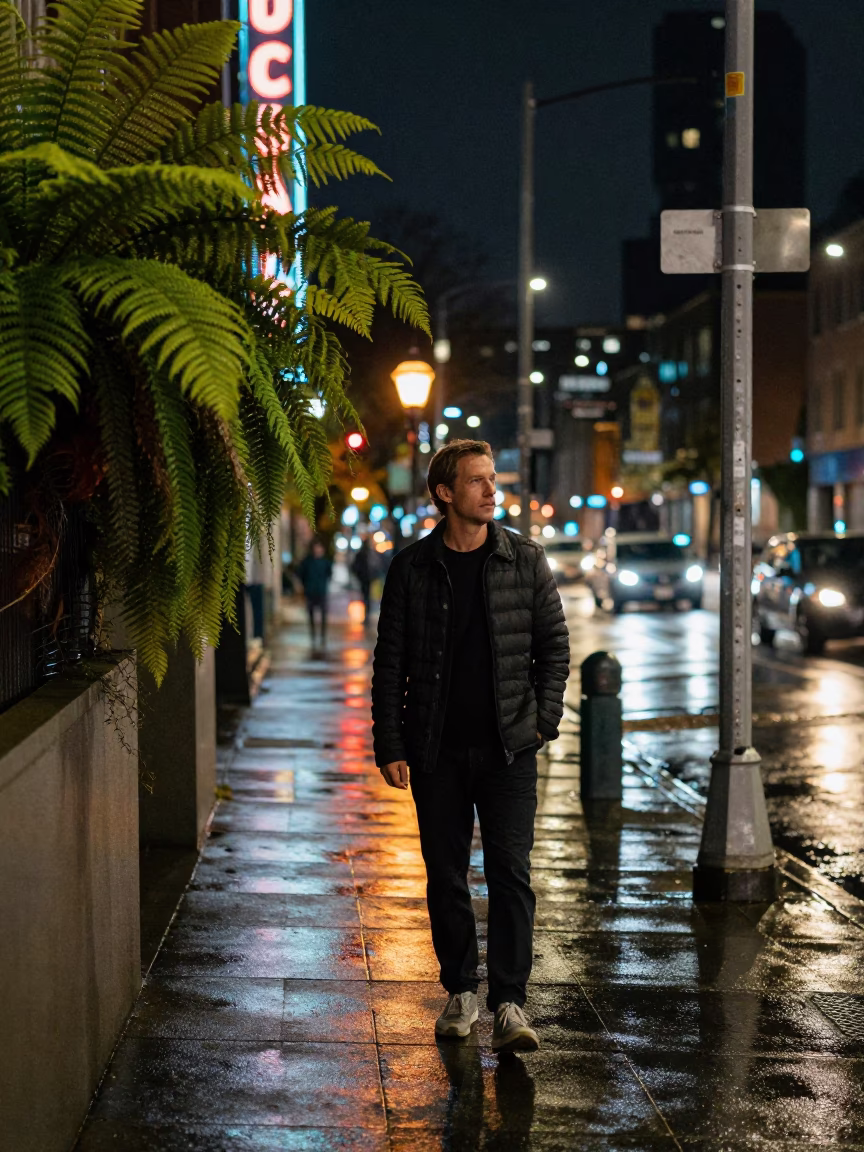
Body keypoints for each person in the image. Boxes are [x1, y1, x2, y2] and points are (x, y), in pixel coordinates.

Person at [371, 440, 569, 1054]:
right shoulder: (413, 567)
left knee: (511, 874)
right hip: (436, 752)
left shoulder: (524, 559)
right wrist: (390, 743)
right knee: (447, 875)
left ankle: (510, 1003)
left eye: (493, 480)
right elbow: (390, 665)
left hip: (509, 749)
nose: (491, 491)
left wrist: (542, 721)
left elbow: (553, 647)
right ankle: (461, 991)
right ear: (444, 493)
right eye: (478, 482)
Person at [297, 538, 332, 650]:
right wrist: (305, 585)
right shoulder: (307, 561)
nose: (318, 550)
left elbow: (329, 574)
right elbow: (300, 573)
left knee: (323, 614)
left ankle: (322, 636)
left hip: (321, 592)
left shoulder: (325, 562)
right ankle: (313, 635)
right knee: (311, 614)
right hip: (311, 592)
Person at [351, 536, 374, 622]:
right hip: (368, 578)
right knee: (367, 597)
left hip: (364, 578)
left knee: (365, 597)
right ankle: (367, 615)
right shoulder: (370, 554)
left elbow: (354, 566)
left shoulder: (361, 554)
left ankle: (367, 616)